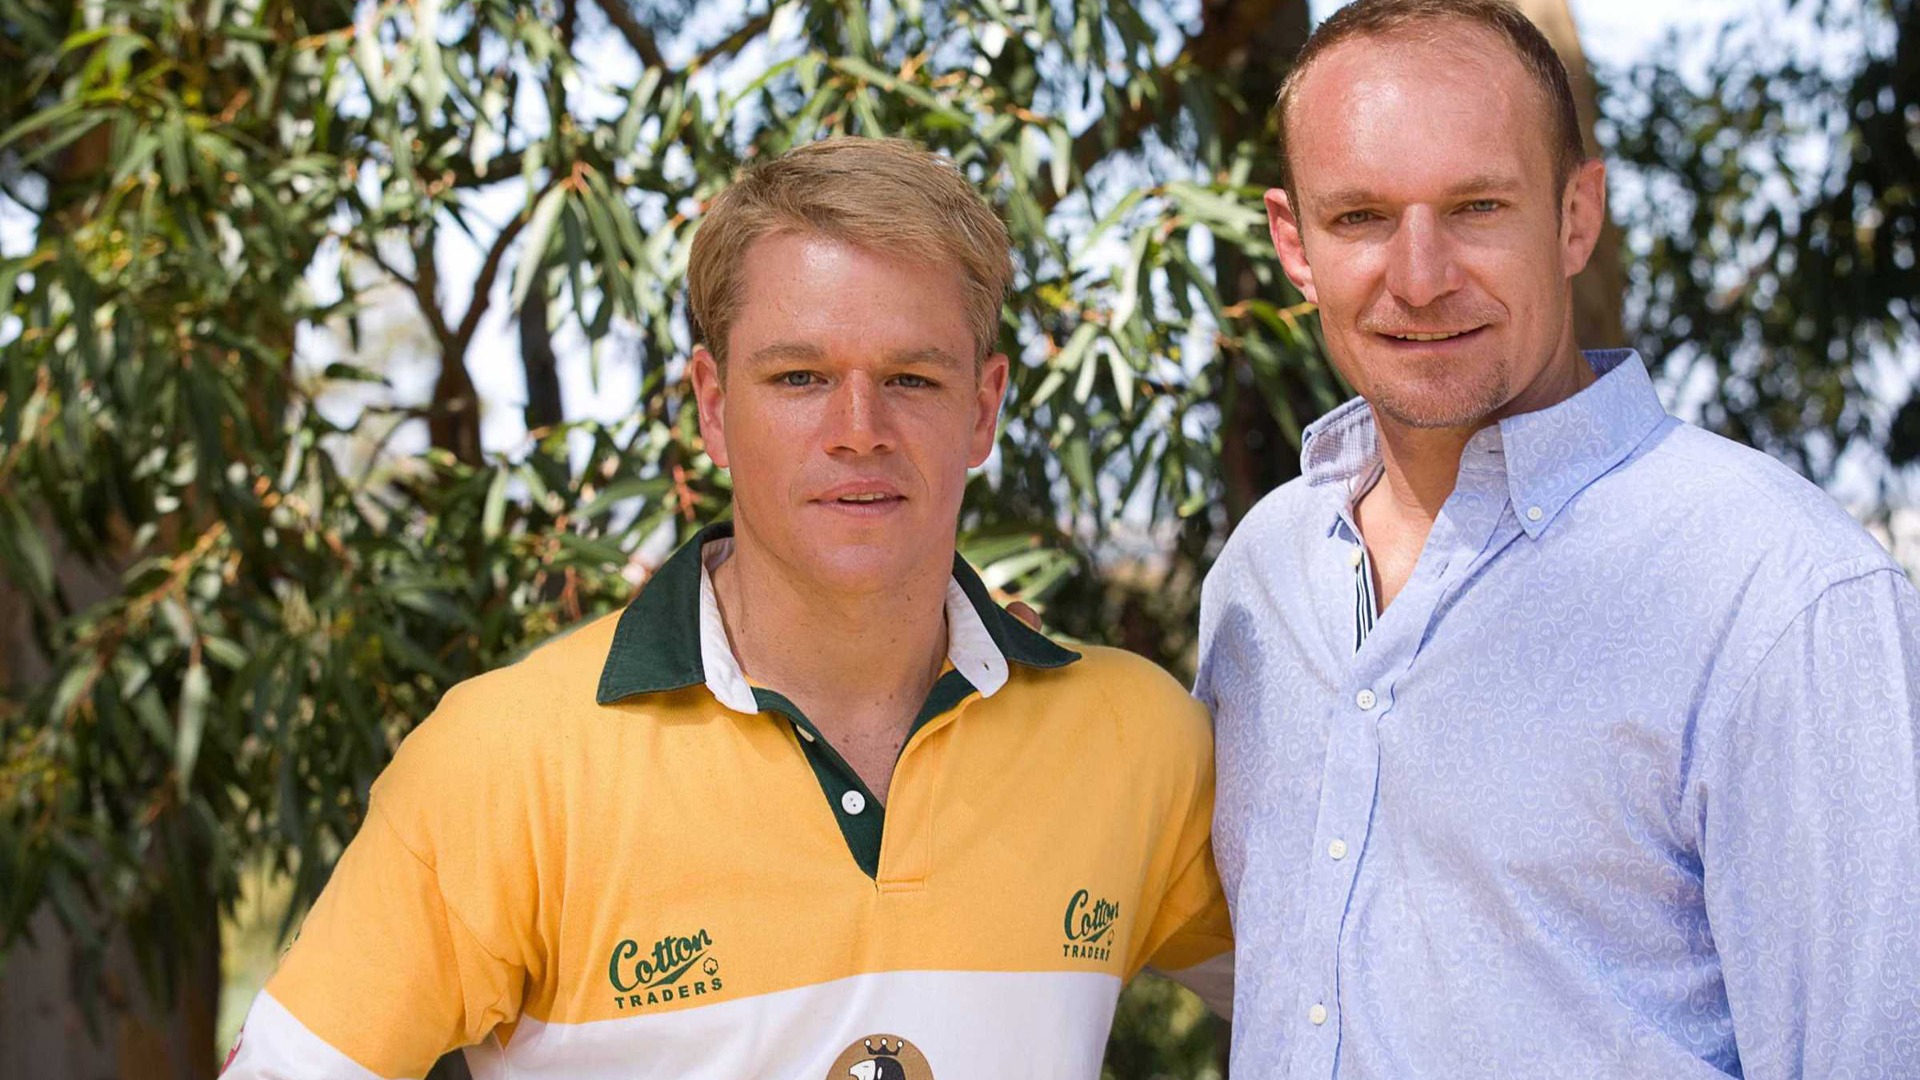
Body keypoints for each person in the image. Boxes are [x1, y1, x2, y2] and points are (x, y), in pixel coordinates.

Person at [224, 137, 1230, 1080]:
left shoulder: (1137, 744)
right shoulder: (506, 763)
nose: (859, 429)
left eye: (911, 378)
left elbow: (1324, 1007)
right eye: (799, 377)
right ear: (712, 405)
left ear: (983, 406)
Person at [1195, 1, 1920, 1077]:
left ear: (1578, 218)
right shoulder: (1262, 575)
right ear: (1294, 244)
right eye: (1361, 218)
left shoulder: (1782, 594)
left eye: (1477, 206)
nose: (1421, 276)